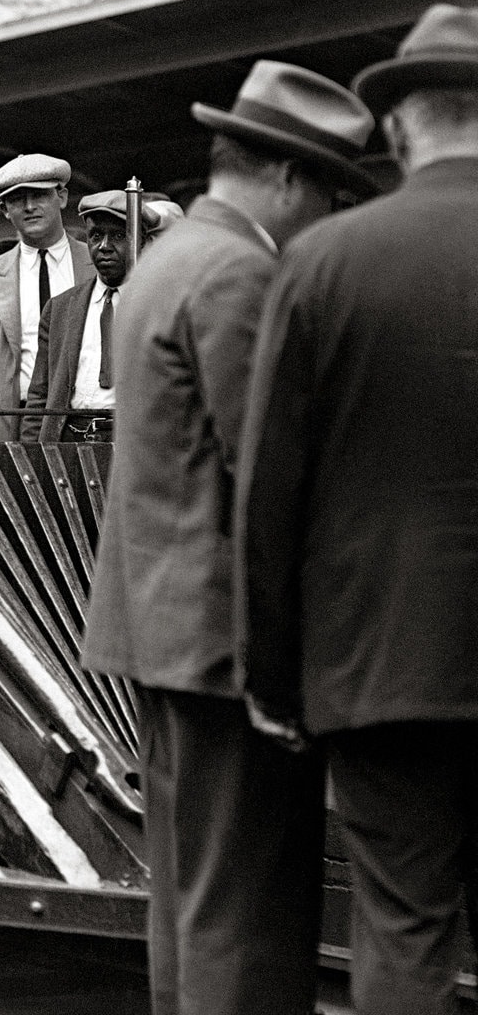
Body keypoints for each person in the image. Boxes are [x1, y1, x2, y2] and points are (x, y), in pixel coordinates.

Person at [80, 60, 377, 1015]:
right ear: (289, 178)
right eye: (330, 193)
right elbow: (273, 468)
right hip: (226, 642)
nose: (326, 220)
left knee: (192, 897)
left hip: (162, 628)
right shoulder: (239, 273)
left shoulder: (171, 259)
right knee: (246, 908)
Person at [238, 6, 478, 1015]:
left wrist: (271, 673)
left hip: (381, 665)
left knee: (403, 926)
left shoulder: (323, 263)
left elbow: (269, 492)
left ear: (392, 132)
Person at [0, 154, 88, 439]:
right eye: (17, 199)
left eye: (39, 194)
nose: (29, 207)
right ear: (4, 209)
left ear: (61, 197)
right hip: (13, 425)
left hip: (85, 422)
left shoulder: (95, 265)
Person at [21, 190, 164, 442]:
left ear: (143, 242)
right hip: (68, 440)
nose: (104, 247)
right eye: (96, 236)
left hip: (134, 440)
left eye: (119, 236)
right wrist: (33, 456)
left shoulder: (159, 305)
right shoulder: (61, 309)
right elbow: (39, 397)